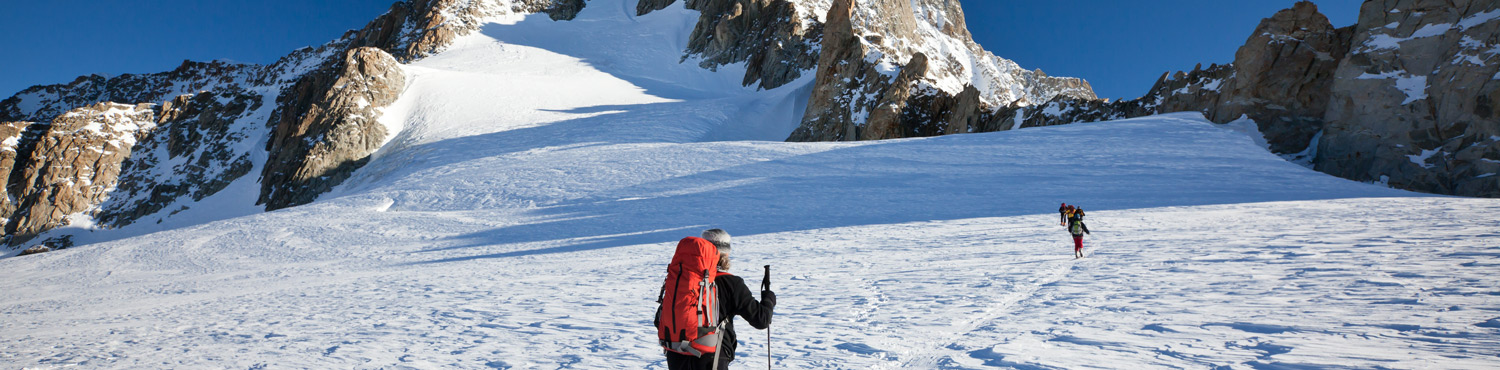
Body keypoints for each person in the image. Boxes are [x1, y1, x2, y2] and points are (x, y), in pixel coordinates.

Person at [665, 229, 776, 370]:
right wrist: (769, 300)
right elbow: (761, 320)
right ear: (726, 253)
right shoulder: (731, 283)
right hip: (713, 355)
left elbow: (660, 319)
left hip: (677, 354)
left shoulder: (681, 279)